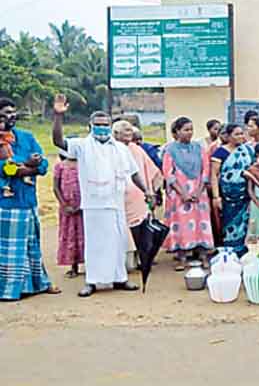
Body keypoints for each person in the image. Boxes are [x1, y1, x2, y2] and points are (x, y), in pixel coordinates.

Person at [53, 95, 152, 297]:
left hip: (116, 203)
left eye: (105, 124)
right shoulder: (81, 146)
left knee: (118, 242)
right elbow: (58, 141)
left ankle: (120, 279)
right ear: (90, 126)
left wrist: (147, 191)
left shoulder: (121, 149)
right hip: (93, 204)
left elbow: (133, 174)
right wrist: (58, 116)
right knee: (95, 244)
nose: (102, 128)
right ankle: (92, 281)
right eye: (97, 125)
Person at [0, 98, 59, 300]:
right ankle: (10, 289)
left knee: (31, 245)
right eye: (6, 113)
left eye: (13, 112)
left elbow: (43, 166)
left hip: (28, 201)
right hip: (6, 203)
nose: (11, 117)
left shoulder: (26, 137)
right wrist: (24, 165)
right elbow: (5, 170)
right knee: (8, 249)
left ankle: (37, 284)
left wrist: (23, 168)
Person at [162, 117, 214, 270]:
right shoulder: (170, 150)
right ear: (177, 132)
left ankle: (203, 255)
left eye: (191, 129)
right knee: (182, 223)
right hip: (179, 194)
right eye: (186, 129)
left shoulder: (199, 148)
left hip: (199, 192)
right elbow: (168, 173)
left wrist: (198, 191)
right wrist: (182, 192)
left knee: (201, 222)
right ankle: (182, 256)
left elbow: (206, 170)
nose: (189, 133)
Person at [113, 120, 163, 271]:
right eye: (125, 131)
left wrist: (151, 191)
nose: (129, 134)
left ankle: (142, 258)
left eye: (130, 131)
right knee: (122, 229)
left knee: (141, 228)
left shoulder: (137, 149)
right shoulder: (112, 150)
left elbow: (151, 170)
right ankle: (124, 262)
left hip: (139, 196)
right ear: (115, 134)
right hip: (119, 197)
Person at [210, 124, 255, 255]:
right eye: (237, 134)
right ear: (229, 136)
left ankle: (244, 251)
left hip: (246, 194)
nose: (240, 137)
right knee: (230, 224)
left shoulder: (248, 151)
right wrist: (216, 196)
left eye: (242, 133)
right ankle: (230, 252)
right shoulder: (220, 152)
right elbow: (214, 175)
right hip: (228, 197)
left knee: (245, 222)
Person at [54, 148, 84, 278]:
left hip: (83, 208)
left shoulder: (84, 165)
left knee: (85, 235)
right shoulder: (60, 166)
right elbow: (55, 187)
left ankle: (91, 266)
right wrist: (64, 204)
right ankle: (73, 266)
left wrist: (82, 205)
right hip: (66, 209)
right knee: (70, 235)